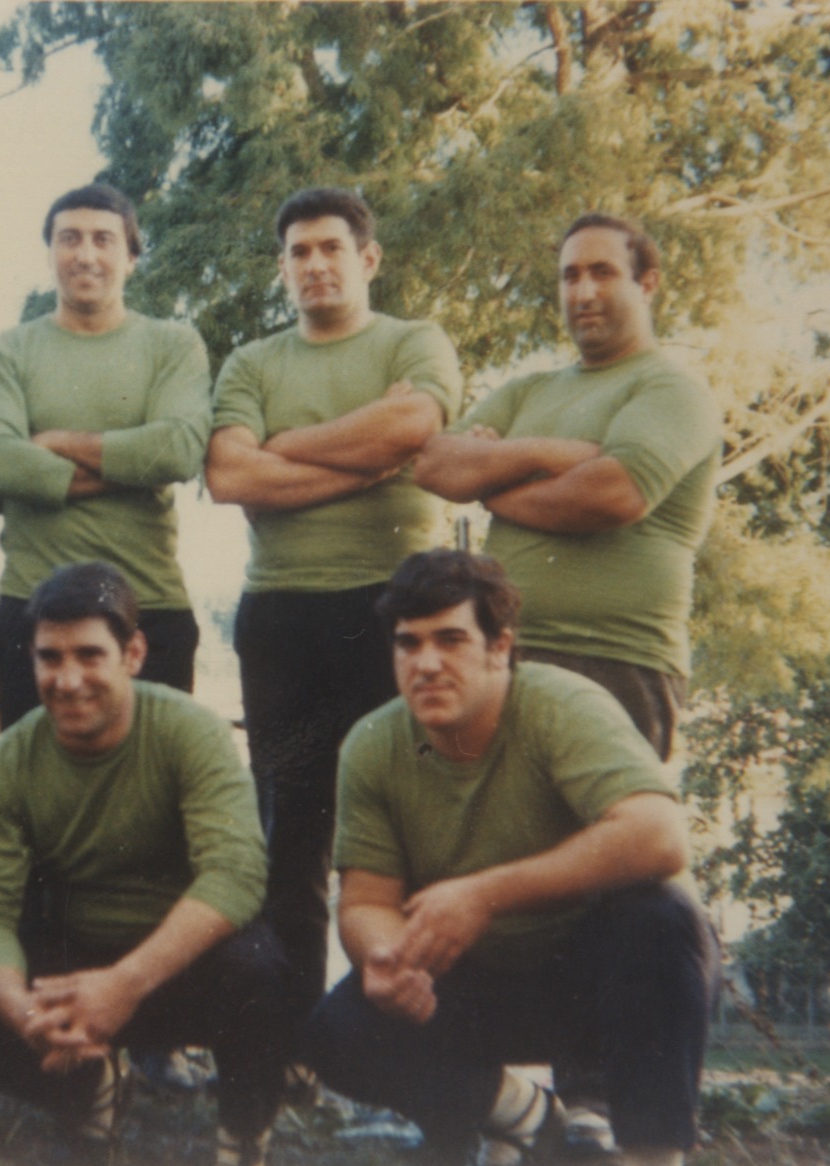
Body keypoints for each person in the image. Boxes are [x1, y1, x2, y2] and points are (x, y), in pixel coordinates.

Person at [300, 550, 717, 1166]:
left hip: (593, 977)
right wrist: (389, 958)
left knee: (661, 916)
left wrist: (485, 894)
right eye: (408, 644)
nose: (427, 664)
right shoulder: (372, 743)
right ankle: (527, 1119)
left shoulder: (561, 704)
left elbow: (660, 835)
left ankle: (651, 1156)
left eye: (451, 640)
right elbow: (365, 902)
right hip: (475, 980)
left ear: (500, 647)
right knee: (340, 1030)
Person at [203, 187, 462, 1016]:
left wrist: (285, 450)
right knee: (293, 836)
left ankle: (415, 1039)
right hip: (281, 618)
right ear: (282, 268)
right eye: (298, 253)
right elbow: (230, 475)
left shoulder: (413, 342)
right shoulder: (251, 364)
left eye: (330, 249)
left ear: (367, 258)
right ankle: (288, 1042)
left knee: (411, 828)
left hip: (397, 614)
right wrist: (368, 457)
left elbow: (413, 425)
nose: (314, 265)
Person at [0, 562, 289, 1166]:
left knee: (258, 969)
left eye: (89, 655)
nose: (68, 679)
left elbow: (236, 875)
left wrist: (126, 984)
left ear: (133, 654)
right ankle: (88, 1088)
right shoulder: (6, 765)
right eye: (50, 657)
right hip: (78, 960)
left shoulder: (190, 732)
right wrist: (24, 1014)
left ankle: (243, 1132)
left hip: (179, 960)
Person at [413, 212, 721, 762]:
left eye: (603, 272)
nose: (583, 292)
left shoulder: (672, 389)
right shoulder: (528, 390)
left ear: (647, 284)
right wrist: (541, 453)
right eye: (570, 276)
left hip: (616, 663)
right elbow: (435, 465)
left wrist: (492, 479)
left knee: (603, 821)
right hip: (502, 659)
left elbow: (612, 493)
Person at [0, 184, 212, 729]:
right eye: (69, 238)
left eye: (103, 239)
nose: (85, 254)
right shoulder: (7, 353)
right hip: (32, 609)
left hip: (150, 606)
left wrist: (53, 442)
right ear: (50, 253)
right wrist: (129, 466)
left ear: (131, 257)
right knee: (37, 778)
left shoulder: (173, 346)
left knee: (153, 780)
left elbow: (177, 450)